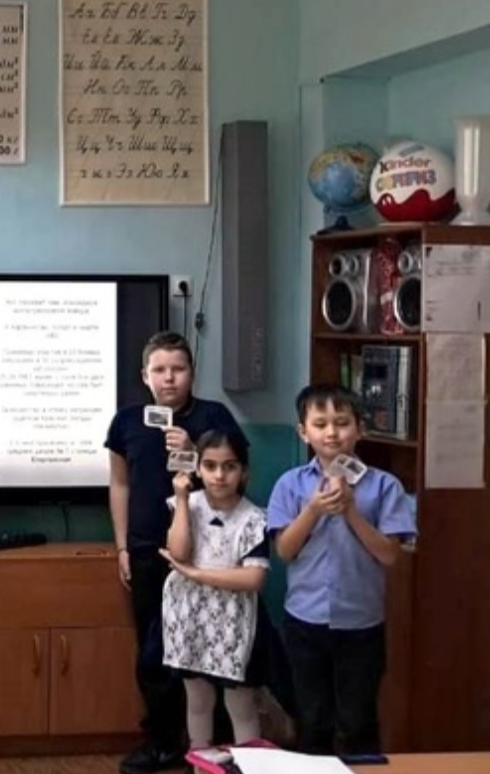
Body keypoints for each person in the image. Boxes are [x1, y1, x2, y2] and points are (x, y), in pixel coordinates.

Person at [104, 331, 247, 774]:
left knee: (209, 649)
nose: (169, 378)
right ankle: (163, 742)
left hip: (208, 557)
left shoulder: (213, 417)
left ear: (192, 374)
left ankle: (210, 746)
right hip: (149, 553)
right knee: (154, 652)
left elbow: (236, 482)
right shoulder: (127, 422)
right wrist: (123, 546)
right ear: (144, 376)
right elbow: (120, 485)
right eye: (160, 370)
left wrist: (193, 451)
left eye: (178, 369)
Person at [268, 384, 414, 757]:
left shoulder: (384, 486)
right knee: (312, 719)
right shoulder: (291, 484)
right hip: (305, 620)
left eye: (342, 422)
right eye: (320, 424)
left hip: (361, 623)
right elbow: (284, 550)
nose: (332, 432)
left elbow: (390, 556)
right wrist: (313, 509)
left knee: (358, 720)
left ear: (359, 429)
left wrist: (351, 511)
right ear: (303, 432)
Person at [157, 430, 270, 752]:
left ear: (243, 471)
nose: (219, 475)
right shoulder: (186, 505)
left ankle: (250, 765)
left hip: (235, 619)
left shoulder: (253, 518)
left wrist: (197, 573)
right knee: (198, 699)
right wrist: (181, 499)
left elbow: (253, 578)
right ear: (197, 468)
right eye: (210, 466)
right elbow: (179, 552)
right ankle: (201, 764)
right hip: (189, 613)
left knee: (240, 702)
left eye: (229, 466)